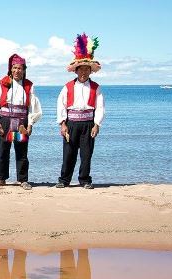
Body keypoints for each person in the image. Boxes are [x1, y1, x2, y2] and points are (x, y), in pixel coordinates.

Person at [0, 54, 42, 190]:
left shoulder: (28, 86)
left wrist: (30, 124)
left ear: (24, 70)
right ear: (11, 69)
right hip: (5, 121)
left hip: (21, 122)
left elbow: (32, 107)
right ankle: (1, 179)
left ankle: (22, 180)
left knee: (21, 151)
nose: (17, 71)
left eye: (20, 68)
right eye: (15, 68)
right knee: (3, 150)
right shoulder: (3, 84)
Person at [56, 33, 105, 189]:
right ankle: (64, 180)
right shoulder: (67, 86)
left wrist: (97, 124)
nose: (83, 72)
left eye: (86, 69)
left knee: (86, 155)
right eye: (81, 69)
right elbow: (61, 105)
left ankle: (84, 180)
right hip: (71, 123)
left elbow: (100, 107)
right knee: (68, 154)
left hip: (88, 124)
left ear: (90, 71)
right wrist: (62, 124)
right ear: (76, 71)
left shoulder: (96, 88)